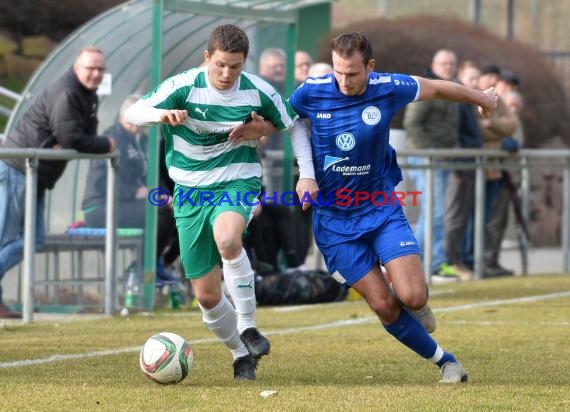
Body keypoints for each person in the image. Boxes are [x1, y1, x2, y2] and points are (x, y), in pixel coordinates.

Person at [288, 32, 498, 383]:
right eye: (339, 72)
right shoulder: (312, 90)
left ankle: (416, 302)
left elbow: (436, 87)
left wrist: (481, 97)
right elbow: (282, 118)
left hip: (380, 209)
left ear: (370, 67)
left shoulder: (387, 86)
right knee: (384, 304)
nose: (344, 81)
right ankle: (447, 363)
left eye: (352, 73)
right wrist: (295, 164)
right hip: (334, 222)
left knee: (413, 297)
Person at [125, 24, 316, 381]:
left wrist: (306, 173)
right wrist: (160, 115)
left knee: (229, 239)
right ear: (207, 58)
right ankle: (240, 353)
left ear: (245, 63)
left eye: (236, 66)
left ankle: (248, 326)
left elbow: (294, 126)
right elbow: (133, 113)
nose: (227, 74)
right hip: (189, 192)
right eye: (221, 65)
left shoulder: (258, 89)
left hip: (236, 180)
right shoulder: (182, 86)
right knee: (207, 296)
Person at [0, 46, 116, 319]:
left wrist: (73, 139)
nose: (96, 74)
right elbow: (73, 137)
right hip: (19, 168)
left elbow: (80, 134)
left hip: (36, 173)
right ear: (77, 68)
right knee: (8, 238)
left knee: (35, 238)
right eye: (91, 68)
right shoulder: (68, 92)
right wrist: (106, 143)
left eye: (100, 69)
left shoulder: (86, 95)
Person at [81, 95, 179, 284]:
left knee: (180, 213)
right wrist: (134, 192)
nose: (140, 123)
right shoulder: (111, 139)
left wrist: (166, 197)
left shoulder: (144, 142)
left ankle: (158, 265)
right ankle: (143, 267)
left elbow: (153, 178)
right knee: (160, 215)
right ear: (124, 115)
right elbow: (101, 183)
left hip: (133, 206)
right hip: (101, 208)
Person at [403, 49, 461, 280]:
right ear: (434, 64)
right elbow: (412, 124)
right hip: (425, 157)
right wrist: (430, 152)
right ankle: (432, 263)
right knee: (434, 211)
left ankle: (412, 262)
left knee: (434, 211)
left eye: (451, 63)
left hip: (443, 157)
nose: (448, 66)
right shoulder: (426, 88)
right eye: (443, 63)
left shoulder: (452, 87)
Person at [443, 61, 483, 281]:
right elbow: (453, 133)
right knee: (453, 216)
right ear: (461, 77)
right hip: (459, 163)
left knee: (461, 216)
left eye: (478, 78)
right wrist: (458, 161)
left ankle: (456, 260)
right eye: (471, 78)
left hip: (468, 162)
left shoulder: (468, 100)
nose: (476, 83)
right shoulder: (457, 100)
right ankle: (450, 261)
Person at [477, 65, 517, 277]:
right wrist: (497, 132)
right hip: (476, 168)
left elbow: (511, 126)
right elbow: (477, 131)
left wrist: (491, 123)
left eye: (495, 76)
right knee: (476, 219)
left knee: (493, 220)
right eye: (489, 75)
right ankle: (477, 262)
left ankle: (489, 262)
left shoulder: (497, 99)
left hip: (495, 169)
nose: (493, 79)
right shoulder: (470, 96)